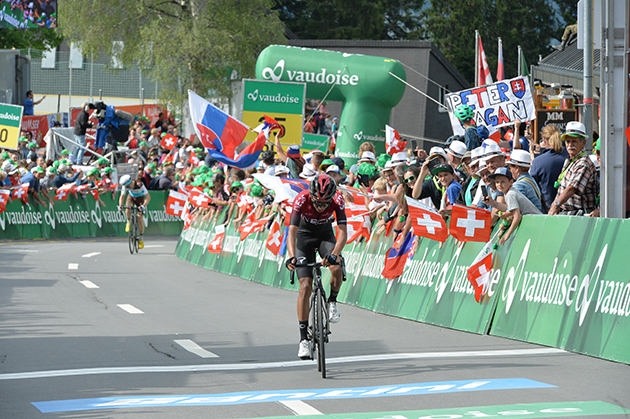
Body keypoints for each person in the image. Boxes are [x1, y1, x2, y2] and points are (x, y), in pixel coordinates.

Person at [285, 174, 347, 359]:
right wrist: (291, 257)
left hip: (325, 236)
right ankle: (303, 339)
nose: (320, 206)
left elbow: (343, 234)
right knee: (305, 286)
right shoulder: (302, 199)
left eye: (324, 203)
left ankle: (332, 301)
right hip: (303, 237)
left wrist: (334, 254)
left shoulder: (338, 200)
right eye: (317, 202)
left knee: (336, 267)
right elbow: (292, 233)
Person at [548, 121, 599, 216]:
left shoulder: (583, 162)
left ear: (583, 143)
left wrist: (556, 204)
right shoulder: (570, 159)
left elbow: (572, 188)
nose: (570, 145)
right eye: (568, 141)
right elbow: (562, 187)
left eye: (574, 141)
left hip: (580, 214)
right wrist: (557, 204)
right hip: (569, 212)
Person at [483, 167, 542, 245]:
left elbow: (517, 217)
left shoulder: (510, 194)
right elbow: (510, 209)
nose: (499, 184)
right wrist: (493, 203)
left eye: (503, 181)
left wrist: (507, 234)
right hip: (535, 223)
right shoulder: (509, 192)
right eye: (497, 182)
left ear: (511, 182)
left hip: (537, 224)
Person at [530, 124, 567, 208]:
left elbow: (532, 188)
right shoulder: (570, 156)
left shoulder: (538, 162)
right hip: (571, 210)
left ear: (543, 139)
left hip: (548, 211)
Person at [118, 174, 151, 249]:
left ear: (129, 182)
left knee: (140, 218)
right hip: (131, 197)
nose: (126, 187)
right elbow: (122, 196)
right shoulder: (125, 185)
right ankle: (128, 221)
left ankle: (141, 239)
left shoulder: (139, 184)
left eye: (127, 185)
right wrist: (120, 206)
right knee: (128, 207)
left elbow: (148, 197)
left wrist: (143, 206)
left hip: (140, 199)